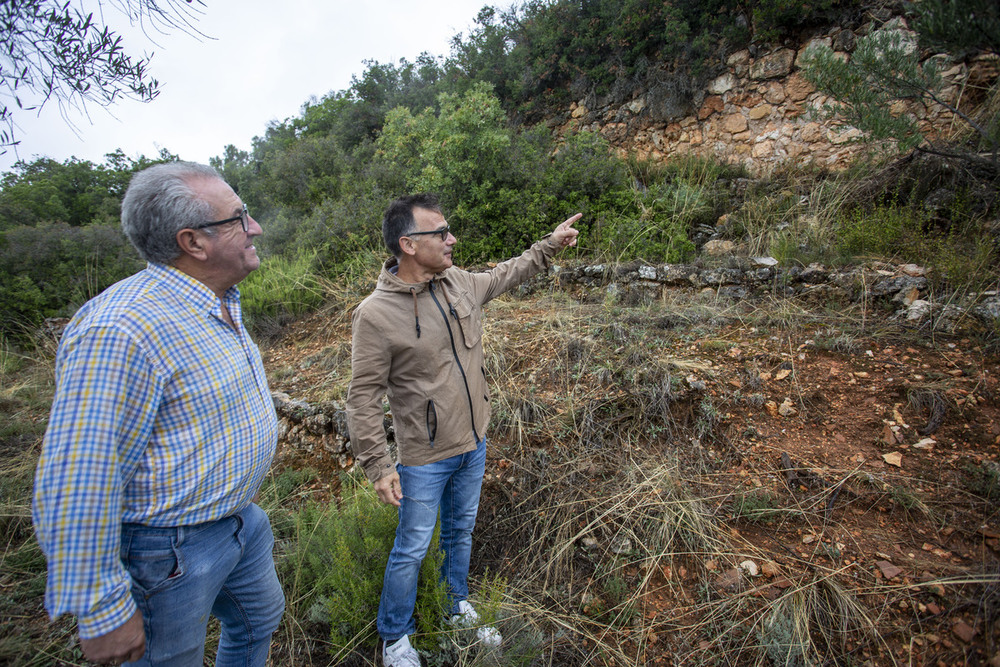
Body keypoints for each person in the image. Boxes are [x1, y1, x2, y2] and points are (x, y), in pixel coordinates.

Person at [32, 162, 285, 666]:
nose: (255, 228)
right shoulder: (123, 328)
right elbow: (80, 475)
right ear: (193, 242)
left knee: (259, 621)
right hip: (166, 552)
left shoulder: (214, 299)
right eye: (240, 218)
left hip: (240, 523)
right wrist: (102, 610)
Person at [346, 193, 580, 667]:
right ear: (408, 245)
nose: (452, 239)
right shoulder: (374, 315)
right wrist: (378, 464)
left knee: (460, 533)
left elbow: (505, 274)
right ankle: (395, 638)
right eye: (441, 232)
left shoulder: (456, 283)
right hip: (423, 458)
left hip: (474, 442)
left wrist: (549, 245)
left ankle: (456, 607)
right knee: (411, 548)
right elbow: (362, 397)